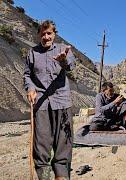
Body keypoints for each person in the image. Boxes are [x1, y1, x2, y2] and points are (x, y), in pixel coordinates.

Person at [23, 20, 76, 180]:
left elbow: (70, 67)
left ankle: (62, 176)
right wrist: (30, 88)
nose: (46, 37)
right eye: (43, 34)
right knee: (41, 146)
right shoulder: (32, 53)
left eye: (49, 33)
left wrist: (63, 60)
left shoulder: (63, 49)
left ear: (54, 34)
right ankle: (44, 177)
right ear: (39, 34)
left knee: (63, 145)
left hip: (62, 103)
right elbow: (27, 75)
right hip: (41, 105)